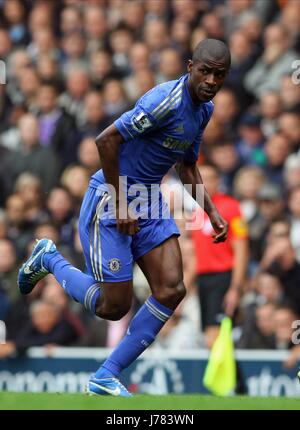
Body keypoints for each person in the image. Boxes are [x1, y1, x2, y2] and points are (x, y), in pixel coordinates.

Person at [18, 39, 231, 397]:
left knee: (172, 289)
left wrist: (209, 212)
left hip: (148, 199)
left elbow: (187, 165)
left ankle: (106, 373)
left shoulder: (204, 110)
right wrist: (120, 202)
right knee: (113, 306)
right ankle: (50, 258)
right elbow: (105, 141)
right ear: (191, 66)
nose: (211, 80)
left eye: (219, 75)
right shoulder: (164, 100)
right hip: (113, 196)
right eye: (205, 71)